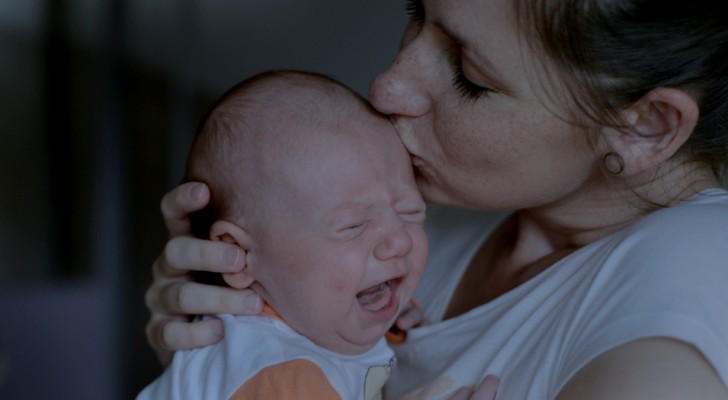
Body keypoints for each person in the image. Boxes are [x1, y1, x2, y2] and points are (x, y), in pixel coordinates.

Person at [144, 0, 728, 399]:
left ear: (646, 126)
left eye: (471, 76)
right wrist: (234, 347)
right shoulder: (432, 203)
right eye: (416, 12)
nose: (387, 85)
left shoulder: (693, 273)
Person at [138, 70, 431, 399]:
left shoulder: (311, 314)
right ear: (239, 257)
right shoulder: (281, 378)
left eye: (411, 212)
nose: (401, 241)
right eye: (353, 226)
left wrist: (391, 320)